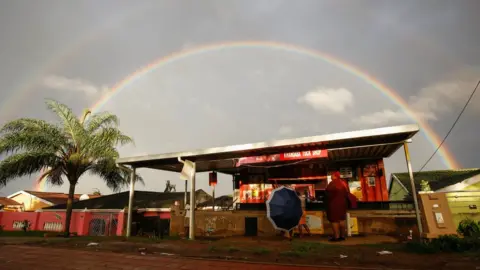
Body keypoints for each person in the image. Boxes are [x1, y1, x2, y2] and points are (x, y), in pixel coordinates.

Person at [325, 171, 350, 242]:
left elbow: (328, 194)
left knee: (334, 220)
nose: (331, 177)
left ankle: (336, 237)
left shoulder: (332, 183)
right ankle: (342, 236)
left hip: (333, 204)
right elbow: (347, 193)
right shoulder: (343, 183)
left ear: (335, 176)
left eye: (332, 175)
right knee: (342, 220)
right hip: (343, 204)